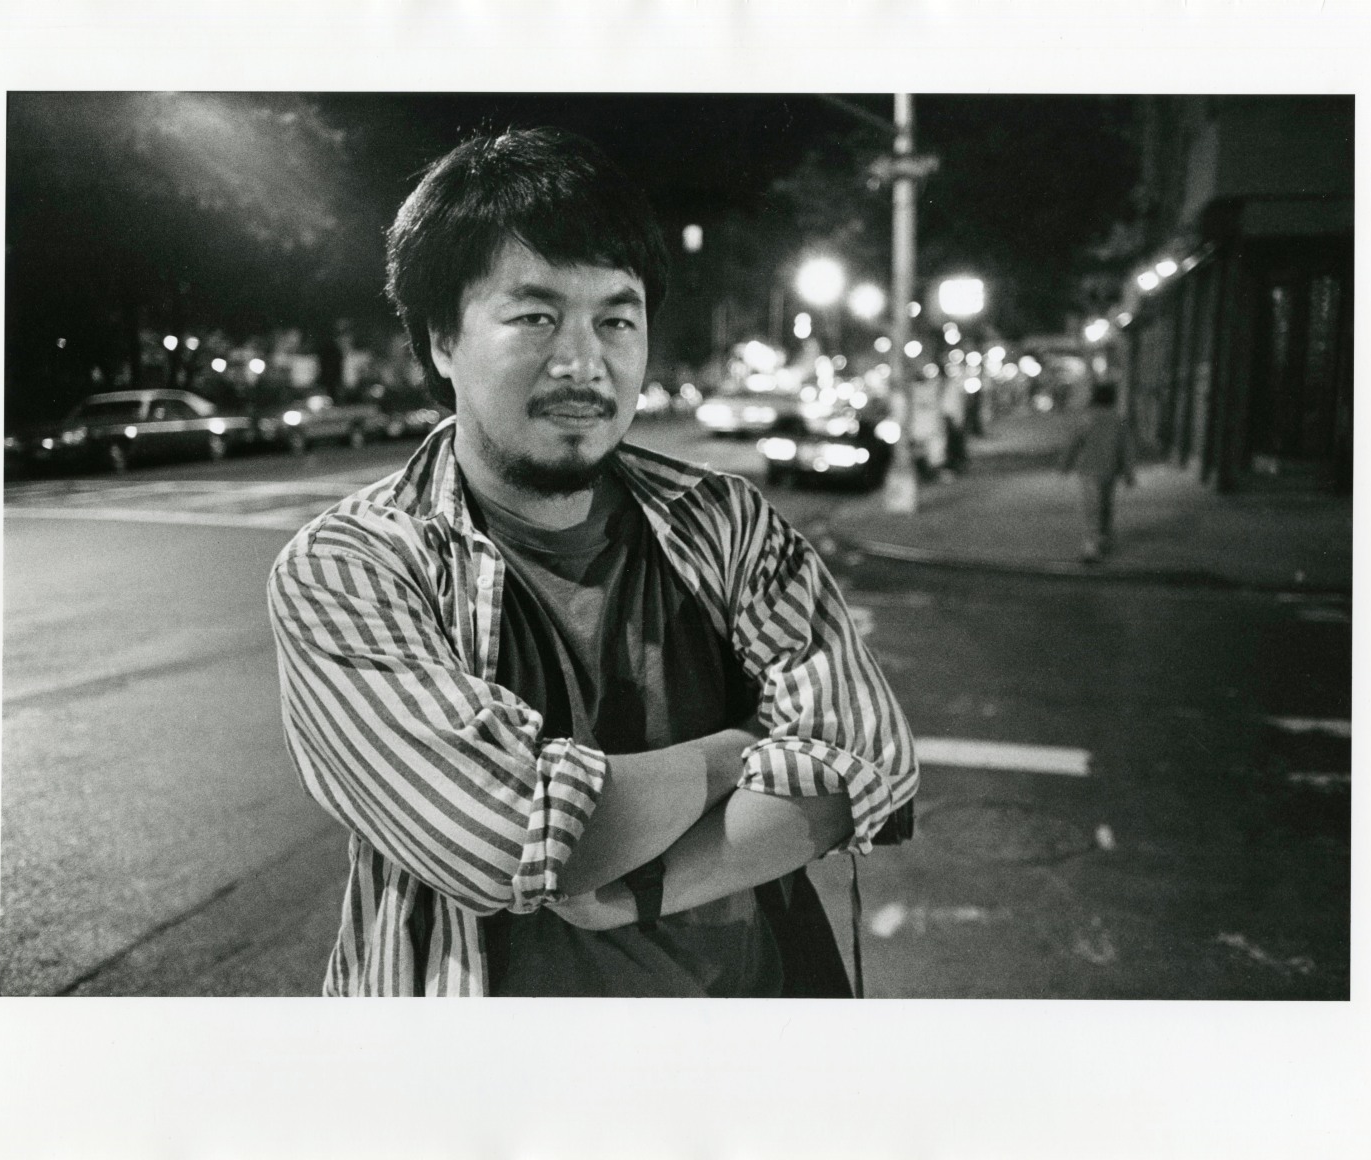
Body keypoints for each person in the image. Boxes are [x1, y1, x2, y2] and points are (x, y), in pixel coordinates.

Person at [267, 128, 918, 997]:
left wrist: (632, 888)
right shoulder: (351, 568)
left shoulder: (725, 525)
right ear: (440, 342)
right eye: (534, 315)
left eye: (615, 317)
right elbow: (503, 837)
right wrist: (744, 748)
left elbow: (868, 762)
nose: (582, 360)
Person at [1061, 381, 1136, 562]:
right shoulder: (1118, 420)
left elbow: (1074, 442)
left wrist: (1065, 464)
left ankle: (1091, 546)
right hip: (1109, 470)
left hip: (1088, 469)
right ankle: (1104, 537)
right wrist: (1128, 473)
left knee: (1090, 508)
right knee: (1106, 505)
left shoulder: (1087, 418)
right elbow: (1125, 448)